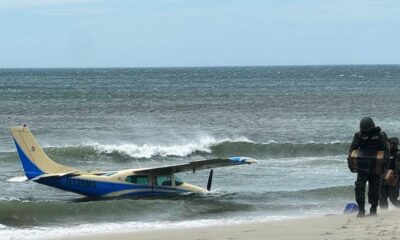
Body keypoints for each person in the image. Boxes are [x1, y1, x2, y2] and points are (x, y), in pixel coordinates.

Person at [347, 117, 389, 217]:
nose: (365, 132)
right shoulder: (359, 135)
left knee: (374, 189)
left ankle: (373, 209)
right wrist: (351, 164)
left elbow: (386, 151)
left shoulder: (380, 135)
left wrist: (384, 166)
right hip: (362, 167)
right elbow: (352, 151)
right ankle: (361, 209)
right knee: (359, 187)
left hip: (376, 167)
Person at [379, 137, 400, 209]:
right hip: (383, 177)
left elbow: (398, 168)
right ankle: (384, 213)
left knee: (393, 199)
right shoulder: (385, 154)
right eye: (388, 144)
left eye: (390, 144)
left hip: (394, 178)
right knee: (382, 198)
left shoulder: (398, 154)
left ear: (395, 145)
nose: (389, 145)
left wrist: (395, 176)